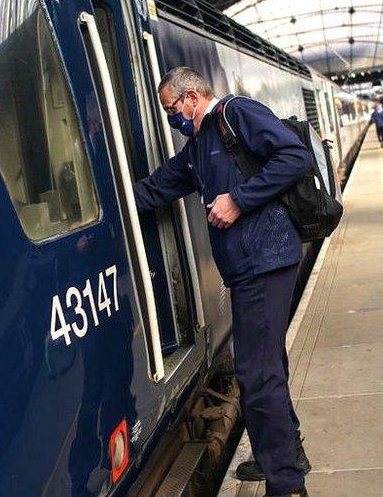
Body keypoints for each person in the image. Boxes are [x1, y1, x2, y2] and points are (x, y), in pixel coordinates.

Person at [132, 67, 311, 497]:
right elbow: (159, 187)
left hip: (265, 262)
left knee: (256, 375)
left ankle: (287, 485)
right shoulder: (198, 149)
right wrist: (108, 206)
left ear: (191, 97)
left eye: (172, 109)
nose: (172, 118)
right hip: (249, 268)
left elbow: (294, 157)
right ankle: (290, 452)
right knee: (269, 365)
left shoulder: (237, 114)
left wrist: (239, 200)